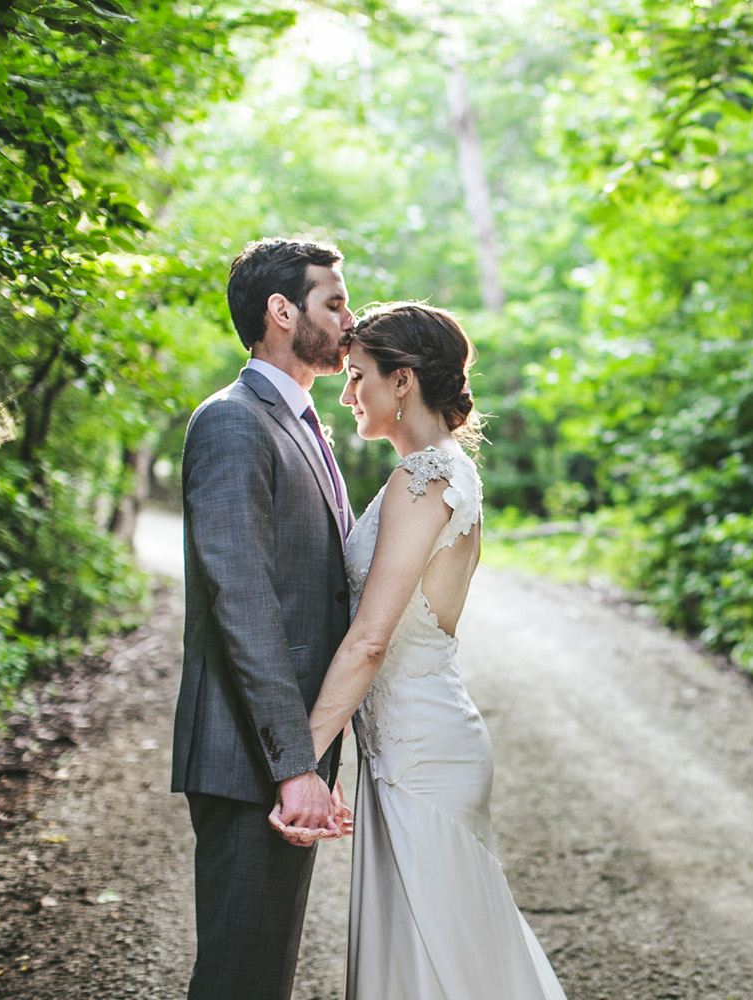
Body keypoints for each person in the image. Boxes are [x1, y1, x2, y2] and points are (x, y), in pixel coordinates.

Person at [270, 302, 567, 999]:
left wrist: (302, 761)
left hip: (422, 755)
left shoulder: (425, 478)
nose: (347, 395)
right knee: (427, 963)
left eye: (358, 376)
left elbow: (370, 639)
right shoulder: (433, 472)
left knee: (451, 964)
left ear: (402, 382)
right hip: (404, 747)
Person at [171, 237, 357, 1000]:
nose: (350, 320)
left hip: (282, 753)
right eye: (334, 302)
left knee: (260, 969)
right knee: (241, 976)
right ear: (282, 312)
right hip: (254, 758)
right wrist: (294, 764)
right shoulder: (233, 421)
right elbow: (243, 602)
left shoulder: (299, 421)